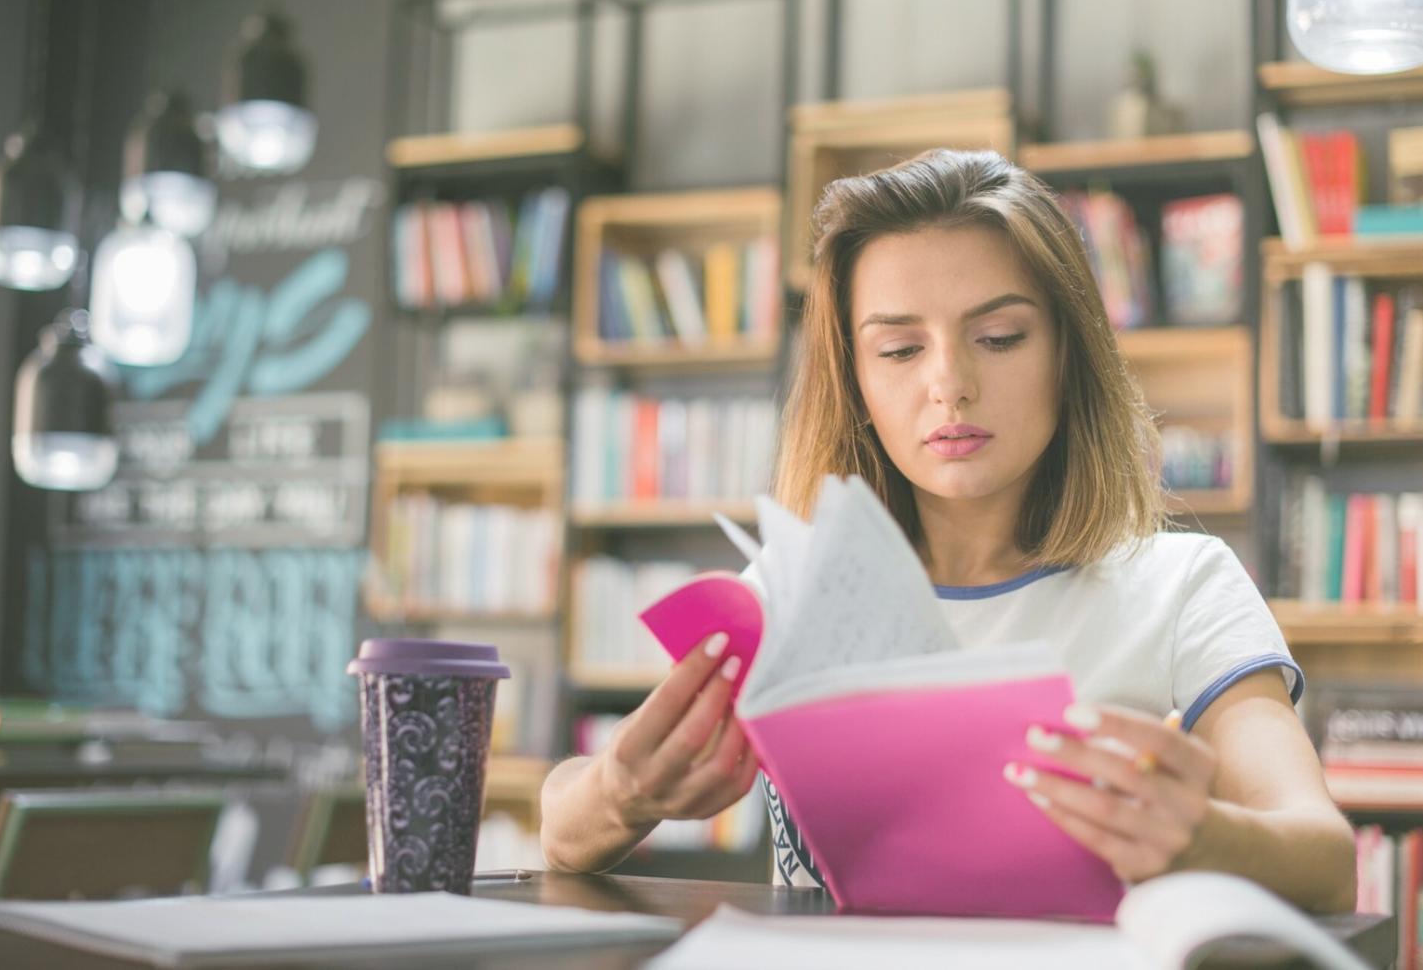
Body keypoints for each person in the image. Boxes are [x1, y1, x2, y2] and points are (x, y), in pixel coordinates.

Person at [539, 149, 1356, 913]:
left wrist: (1200, 836)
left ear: (1067, 353)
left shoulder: (1182, 586)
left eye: (998, 338)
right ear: (853, 379)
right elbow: (561, 828)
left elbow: (1325, 861)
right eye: (898, 349)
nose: (950, 386)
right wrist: (620, 791)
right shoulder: (787, 593)